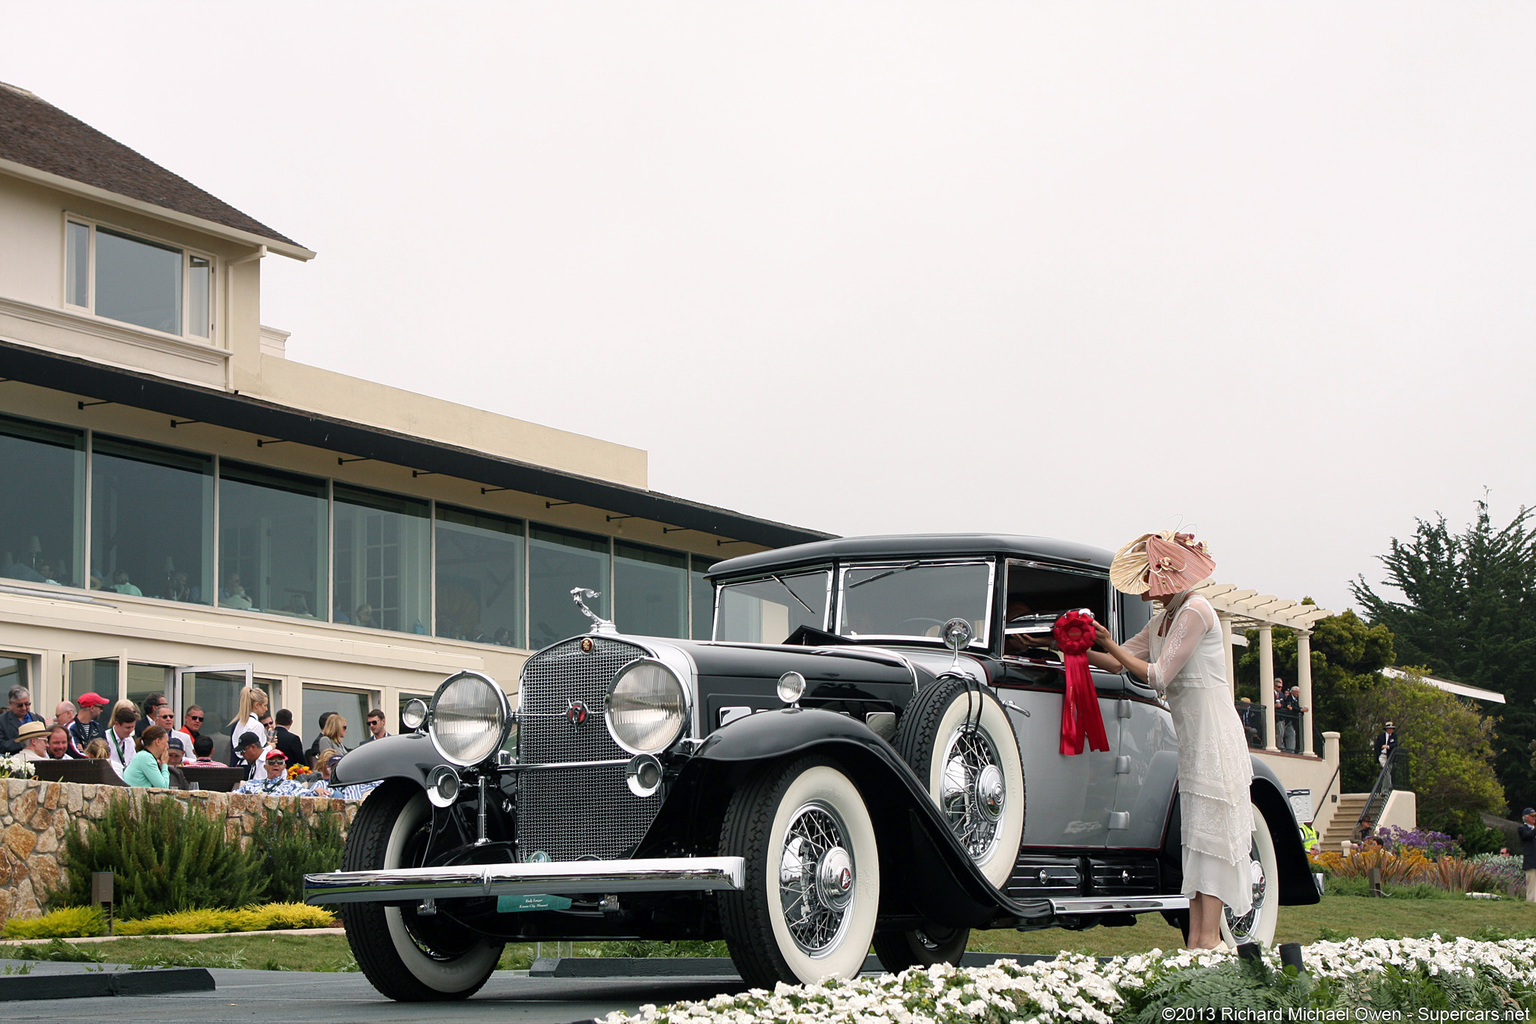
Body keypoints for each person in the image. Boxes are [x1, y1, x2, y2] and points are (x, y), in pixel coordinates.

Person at [1090, 530, 1252, 950]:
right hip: (1193, 738)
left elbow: (1159, 674)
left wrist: (1108, 643)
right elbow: (1117, 659)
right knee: (1197, 836)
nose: (1148, 588)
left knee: (1212, 835)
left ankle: (1206, 941)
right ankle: (1200, 939)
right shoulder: (1163, 619)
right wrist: (1070, 648)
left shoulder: (1196, 611)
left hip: (1213, 735)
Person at [227, 686, 270, 765]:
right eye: (265, 705)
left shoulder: (238, 724)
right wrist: (271, 746)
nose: (266, 709)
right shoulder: (257, 725)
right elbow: (256, 753)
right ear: (256, 705)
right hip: (250, 766)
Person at [0, 686, 41, 754]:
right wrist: (24, 741)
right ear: (10, 703)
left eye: (27, 704)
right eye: (20, 705)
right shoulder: (2, 721)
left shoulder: (38, 719)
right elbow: (1, 746)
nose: (24, 708)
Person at [69, 692, 109, 758]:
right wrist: (93, 756)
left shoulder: (98, 728)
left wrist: (85, 752)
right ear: (92, 708)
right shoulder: (71, 728)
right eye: (101, 707)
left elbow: (106, 750)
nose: (101, 711)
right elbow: (75, 752)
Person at [105, 703, 139, 776]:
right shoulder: (105, 738)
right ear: (116, 724)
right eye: (127, 727)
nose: (131, 730)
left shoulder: (130, 741)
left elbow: (133, 763)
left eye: (133, 727)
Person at [1519, 809, 1536, 902]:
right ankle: (1531, 902)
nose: (1534, 818)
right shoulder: (1522, 829)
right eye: (1532, 816)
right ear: (1526, 817)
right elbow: (1528, 835)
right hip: (1531, 861)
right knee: (1531, 883)